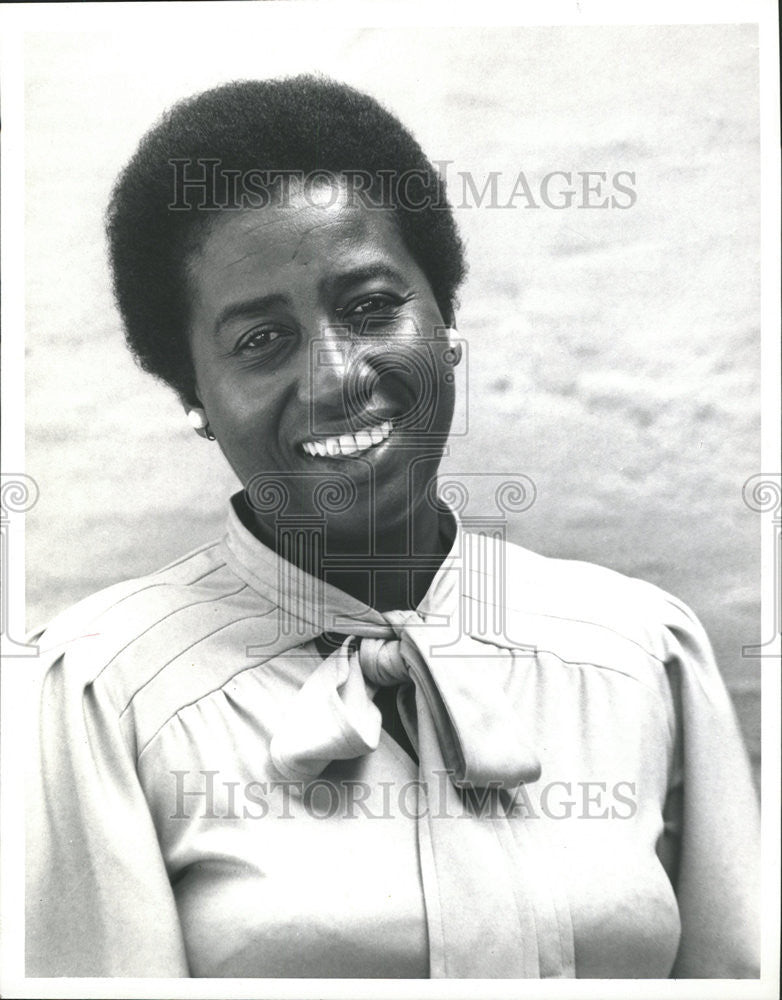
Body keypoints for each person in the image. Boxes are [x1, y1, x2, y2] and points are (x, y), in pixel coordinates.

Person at [26, 75, 759, 979]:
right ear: (195, 398)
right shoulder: (107, 696)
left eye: (372, 308)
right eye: (260, 340)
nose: (336, 375)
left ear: (445, 320)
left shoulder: (639, 655)